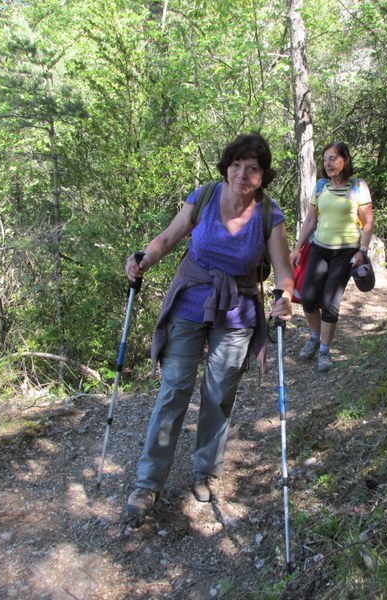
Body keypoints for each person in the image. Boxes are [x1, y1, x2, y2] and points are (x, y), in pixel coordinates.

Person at [121, 133, 294, 528]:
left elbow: (283, 270)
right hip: (190, 300)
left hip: (237, 311)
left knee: (218, 393)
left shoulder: (270, 214)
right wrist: (144, 259)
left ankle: (205, 471)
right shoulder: (204, 196)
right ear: (226, 167)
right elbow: (168, 237)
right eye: (236, 165)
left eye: (253, 168)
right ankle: (148, 483)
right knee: (174, 388)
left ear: (263, 176)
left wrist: (285, 296)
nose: (243, 174)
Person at [290, 141, 374, 372]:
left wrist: (362, 251)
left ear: (344, 160)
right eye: (325, 158)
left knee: (330, 303)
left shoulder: (358, 186)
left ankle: (325, 351)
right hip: (319, 248)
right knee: (307, 298)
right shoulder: (320, 187)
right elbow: (310, 220)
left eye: (333, 158)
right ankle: (315, 336)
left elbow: (367, 223)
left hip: (346, 252)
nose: (328, 163)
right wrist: (297, 248)